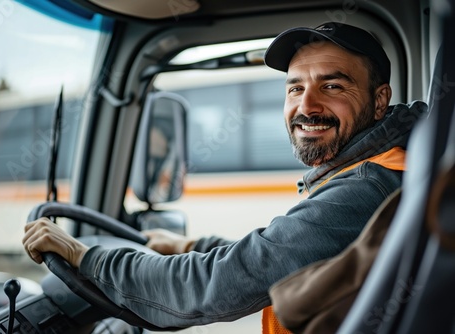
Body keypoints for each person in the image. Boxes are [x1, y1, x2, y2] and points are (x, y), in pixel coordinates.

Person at [23, 22, 427, 332]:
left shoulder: (367, 187)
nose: (307, 105)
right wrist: (190, 245)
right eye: (295, 88)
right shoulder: (377, 168)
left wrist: (86, 258)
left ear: (379, 101)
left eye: (333, 85)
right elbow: (279, 253)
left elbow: (216, 284)